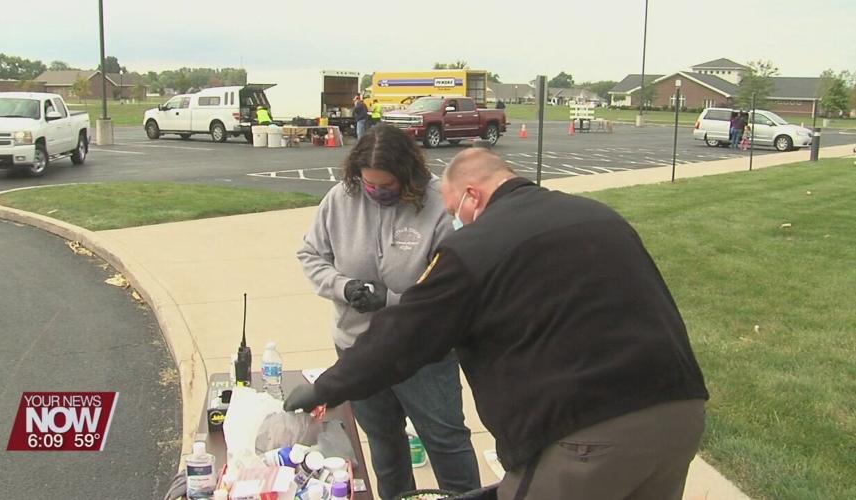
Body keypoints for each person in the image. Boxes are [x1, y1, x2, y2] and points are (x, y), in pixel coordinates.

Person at [287, 148, 710, 500]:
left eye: (454, 210)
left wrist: (327, 386)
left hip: (585, 436)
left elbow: (404, 334)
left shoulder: (474, 246)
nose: (455, 221)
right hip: (680, 415)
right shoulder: (597, 217)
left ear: (473, 195)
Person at [296, 125, 481, 499]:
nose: (377, 193)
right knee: (384, 445)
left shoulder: (437, 206)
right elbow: (311, 255)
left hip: (422, 354)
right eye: (370, 185)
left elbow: (451, 292)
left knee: (446, 441)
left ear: (408, 176)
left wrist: (390, 300)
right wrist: (343, 286)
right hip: (358, 348)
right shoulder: (339, 200)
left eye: (387, 187)